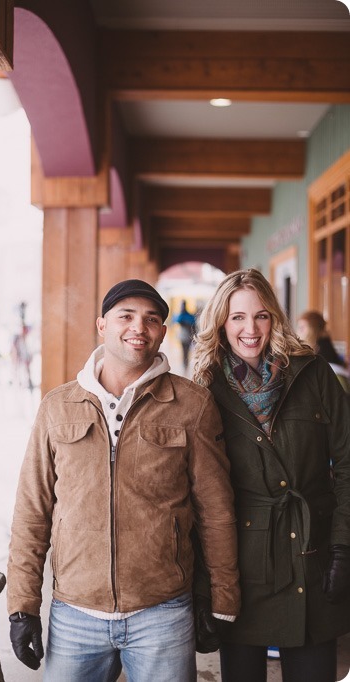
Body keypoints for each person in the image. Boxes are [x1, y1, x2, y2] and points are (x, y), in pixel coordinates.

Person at [7, 278, 240, 681]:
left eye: (151, 319)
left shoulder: (192, 405)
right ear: (102, 325)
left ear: (163, 333)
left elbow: (216, 512)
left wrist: (220, 599)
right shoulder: (58, 407)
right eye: (126, 316)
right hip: (75, 613)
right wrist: (22, 604)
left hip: (163, 614)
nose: (139, 327)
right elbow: (32, 511)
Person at [192, 268, 350, 682]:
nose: (250, 329)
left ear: (275, 319)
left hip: (312, 558)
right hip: (239, 567)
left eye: (261, 316)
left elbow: (349, 464)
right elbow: (195, 494)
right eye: (237, 317)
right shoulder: (204, 389)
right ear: (221, 323)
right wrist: (203, 587)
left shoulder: (313, 373)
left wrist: (343, 547)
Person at [297, 309, 350, 393]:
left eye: (302, 328)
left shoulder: (321, 352)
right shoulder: (323, 344)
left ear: (313, 329)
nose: (298, 332)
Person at [172, 299, 196, 371]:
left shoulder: (185, 316)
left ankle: (186, 365)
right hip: (184, 337)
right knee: (185, 351)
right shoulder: (183, 316)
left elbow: (193, 327)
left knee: (186, 351)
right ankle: (185, 365)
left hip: (187, 337)